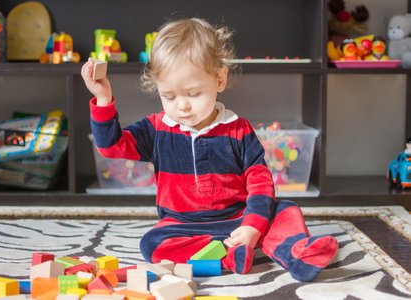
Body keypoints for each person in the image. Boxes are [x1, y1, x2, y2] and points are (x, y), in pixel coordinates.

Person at [81, 18, 338, 282]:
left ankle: (298, 254)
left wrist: (252, 225)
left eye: (193, 94)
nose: (182, 106)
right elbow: (111, 147)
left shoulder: (238, 130)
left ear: (219, 79)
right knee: (152, 243)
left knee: (286, 211)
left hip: (239, 218)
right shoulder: (157, 129)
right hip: (184, 225)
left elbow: (261, 184)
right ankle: (228, 254)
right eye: (169, 97)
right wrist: (103, 98)